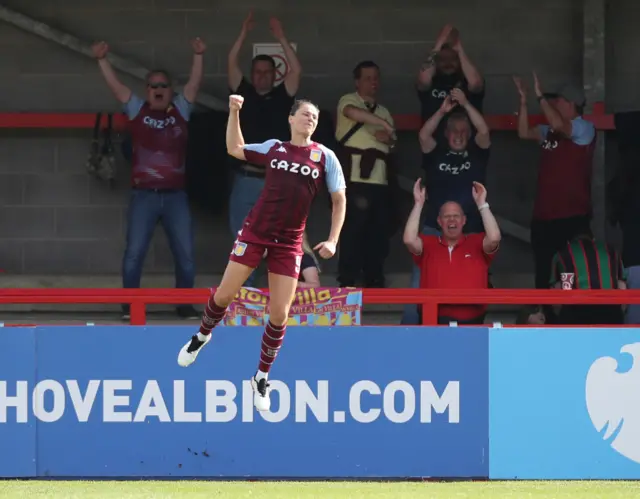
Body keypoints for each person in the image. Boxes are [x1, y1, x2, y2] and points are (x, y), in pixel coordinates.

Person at [177, 95, 347, 412]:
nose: (311, 119)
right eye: (306, 114)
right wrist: (233, 110)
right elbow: (235, 148)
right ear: (291, 118)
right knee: (225, 294)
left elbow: (339, 199)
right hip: (255, 233)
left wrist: (333, 239)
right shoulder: (275, 148)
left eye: (316, 116)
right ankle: (201, 336)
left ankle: (261, 377)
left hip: (289, 242)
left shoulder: (325, 157)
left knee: (280, 314)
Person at [92, 38, 205, 320]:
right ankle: (130, 306)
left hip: (175, 196)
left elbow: (193, 86)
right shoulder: (137, 110)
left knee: (186, 254)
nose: (157, 90)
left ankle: (184, 305)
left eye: (162, 86)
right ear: (147, 90)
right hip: (143, 195)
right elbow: (117, 89)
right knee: (134, 253)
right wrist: (102, 60)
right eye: (153, 86)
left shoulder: (180, 110)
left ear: (170, 91)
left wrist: (199, 56)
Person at [401, 89, 490, 324]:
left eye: (463, 132)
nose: (458, 136)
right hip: (434, 230)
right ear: (446, 134)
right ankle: (409, 334)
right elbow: (423, 135)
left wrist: (467, 104)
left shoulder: (477, 153)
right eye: (454, 131)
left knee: (472, 284)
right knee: (419, 284)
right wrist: (442, 111)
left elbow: (484, 131)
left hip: (470, 231)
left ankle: (472, 330)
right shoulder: (436, 152)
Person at [227, 11, 302, 287]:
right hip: (245, 179)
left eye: (267, 72)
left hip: (274, 180)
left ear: (274, 74)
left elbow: (297, 71)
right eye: (257, 72)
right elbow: (231, 62)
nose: (261, 77)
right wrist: (243, 33)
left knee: (277, 243)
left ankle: (272, 300)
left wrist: (280, 37)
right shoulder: (242, 92)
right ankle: (244, 298)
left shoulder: (283, 96)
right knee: (241, 241)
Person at [513, 73, 596, 292]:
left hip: (571, 218)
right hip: (544, 218)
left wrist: (539, 97)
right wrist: (523, 101)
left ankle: (566, 321)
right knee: (543, 274)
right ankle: (545, 319)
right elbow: (523, 132)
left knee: (570, 274)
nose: (551, 103)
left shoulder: (584, 128)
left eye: (556, 100)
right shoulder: (549, 131)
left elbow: (561, 126)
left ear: (571, 103)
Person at [403, 180, 501, 324]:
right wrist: (418, 204)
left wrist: (482, 204)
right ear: (439, 221)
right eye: (446, 216)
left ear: (464, 220)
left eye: (456, 216)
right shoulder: (429, 243)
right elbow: (409, 240)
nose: (452, 219)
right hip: (433, 321)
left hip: (472, 322)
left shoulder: (476, 242)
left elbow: (494, 238)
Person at [549, 230, 627, 325]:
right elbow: (622, 287)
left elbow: (561, 292)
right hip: (610, 310)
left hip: (578, 312)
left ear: (569, 240)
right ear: (592, 238)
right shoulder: (611, 252)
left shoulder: (564, 254)